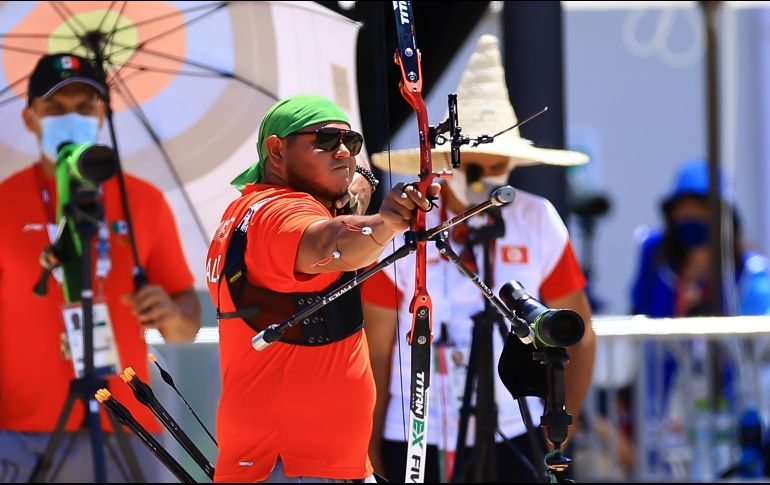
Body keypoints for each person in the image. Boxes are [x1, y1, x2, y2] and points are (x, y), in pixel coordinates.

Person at [362, 35, 596, 482]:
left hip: (515, 429)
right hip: (413, 433)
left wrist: (562, 425)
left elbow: (579, 332)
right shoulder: (401, 224)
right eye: (473, 166)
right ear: (449, 162)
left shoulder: (537, 218)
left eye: (498, 167)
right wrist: (367, 446)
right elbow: (376, 350)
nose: (486, 180)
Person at [205, 93, 439, 483]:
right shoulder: (278, 213)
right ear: (276, 150)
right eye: (327, 141)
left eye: (352, 143)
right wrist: (385, 224)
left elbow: (348, 196)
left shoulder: (247, 208)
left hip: (301, 461)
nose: (344, 152)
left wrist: (362, 182)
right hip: (295, 464)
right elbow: (331, 245)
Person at [0, 53, 202, 482]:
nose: (69, 118)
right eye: (54, 108)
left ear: (102, 116)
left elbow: (185, 326)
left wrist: (169, 311)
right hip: (18, 428)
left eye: (83, 107)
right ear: (30, 118)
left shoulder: (142, 200)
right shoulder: (3, 202)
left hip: (128, 425)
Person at [629, 158, 770, 478]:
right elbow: (637, 310)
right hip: (663, 403)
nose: (690, 217)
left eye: (701, 207)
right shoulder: (656, 256)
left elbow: (758, 339)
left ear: (723, 215)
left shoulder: (751, 272)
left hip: (728, 408)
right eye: (683, 208)